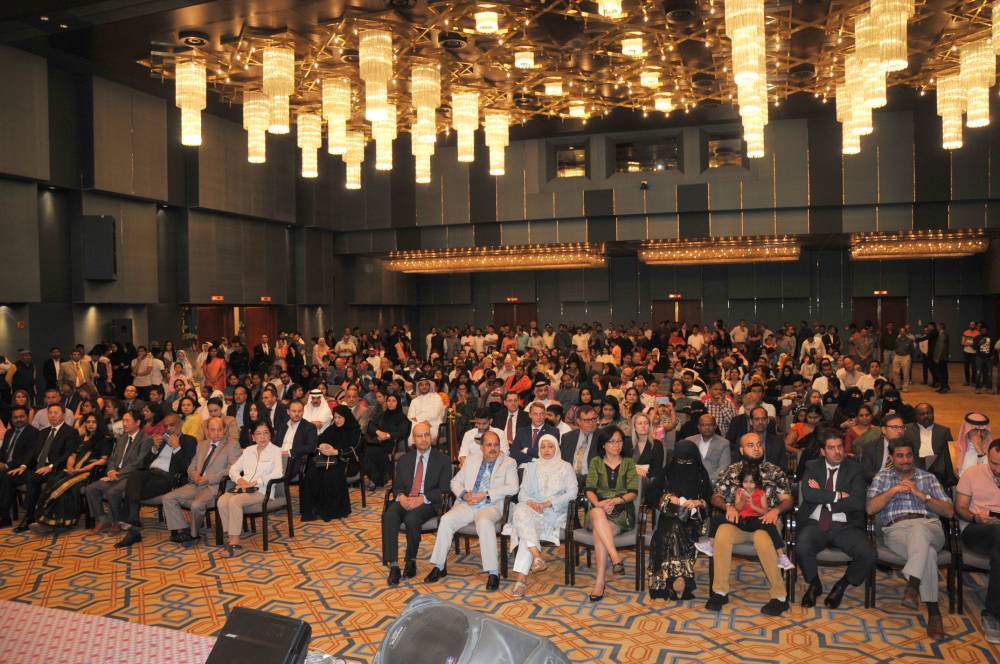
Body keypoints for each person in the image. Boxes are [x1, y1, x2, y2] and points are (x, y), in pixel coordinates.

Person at [866, 438, 954, 640]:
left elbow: (949, 512)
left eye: (908, 455)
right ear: (891, 457)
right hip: (897, 531)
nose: (905, 460)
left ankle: (914, 586)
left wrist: (923, 496)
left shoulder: (928, 478)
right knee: (928, 553)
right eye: (900, 455)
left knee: (921, 529)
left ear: (913, 456)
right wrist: (893, 490)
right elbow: (870, 508)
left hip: (931, 527)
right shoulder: (883, 478)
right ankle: (933, 612)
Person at [705, 432, 793, 616]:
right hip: (740, 521)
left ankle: (780, 597)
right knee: (722, 533)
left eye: (759, 444)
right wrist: (727, 506)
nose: (756, 448)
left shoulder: (774, 471)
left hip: (766, 522)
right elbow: (715, 497)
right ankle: (720, 591)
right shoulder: (732, 471)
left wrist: (775, 510)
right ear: (741, 449)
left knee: (762, 539)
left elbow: (787, 500)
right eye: (751, 445)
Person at [426, 431, 519, 591]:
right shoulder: (471, 460)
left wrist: (486, 495)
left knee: (484, 522)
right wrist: (464, 494)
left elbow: (513, 487)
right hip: (468, 503)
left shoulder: (508, 462)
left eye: (496, 445)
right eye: (489, 445)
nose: (493, 448)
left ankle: (493, 572)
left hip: (491, 504)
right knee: (446, 519)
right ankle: (439, 566)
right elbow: (455, 482)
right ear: (481, 447)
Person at [796, 430, 875, 609]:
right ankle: (815, 584)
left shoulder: (855, 468)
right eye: (831, 448)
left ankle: (842, 585)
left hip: (845, 525)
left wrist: (825, 498)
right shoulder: (812, 466)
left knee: (868, 555)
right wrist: (838, 495)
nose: (837, 451)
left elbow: (857, 501)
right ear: (823, 451)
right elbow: (809, 494)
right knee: (802, 546)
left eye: (840, 447)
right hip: (815, 522)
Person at [381, 422, 453, 586]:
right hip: (406, 498)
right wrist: (401, 497)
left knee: (412, 518)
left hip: (428, 502)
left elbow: (444, 489)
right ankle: (393, 566)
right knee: (389, 516)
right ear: (414, 439)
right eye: (419, 436)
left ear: (431, 436)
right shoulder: (404, 460)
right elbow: (397, 486)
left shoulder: (443, 460)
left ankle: (411, 560)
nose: (424, 439)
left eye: (426, 435)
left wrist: (423, 498)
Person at [506, 434, 577, 597]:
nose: (546, 450)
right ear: (538, 449)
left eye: (550, 446)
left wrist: (548, 503)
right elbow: (522, 493)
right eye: (543, 446)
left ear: (556, 448)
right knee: (520, 510)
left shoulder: (565, 467)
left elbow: (573, 493)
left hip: (553, 512)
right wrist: (531, 503)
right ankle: (537, 556)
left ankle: (522, 579)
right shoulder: (532, 467)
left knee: (523, 529)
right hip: (532, 509)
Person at [113, 413, 197, 547]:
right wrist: (154, 449)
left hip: (167, 478)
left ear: (180, 424)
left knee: (132, 490)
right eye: (166, 426)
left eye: (172, 425)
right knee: (135, 475)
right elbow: (144, 464)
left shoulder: (189, 440)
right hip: (149, 474)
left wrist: (177, 448)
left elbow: (186, 467)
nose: (169, 429)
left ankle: (133, 529)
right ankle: (134, 522)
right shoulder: (162, 440)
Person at [646, 440, 713, 601]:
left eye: (688, 461)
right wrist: (669, 498)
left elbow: (710, 500)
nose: (683, 464)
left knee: (674, 530)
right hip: (670, 516)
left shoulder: (701, 474)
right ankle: (680, 579)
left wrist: (699, 502)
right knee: (671, 529)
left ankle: (672, 580)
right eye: (680, 460)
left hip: (694, 520)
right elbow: (651, 494)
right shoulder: (668, 471)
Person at [162, 416, 241, 547]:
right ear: (207, 431)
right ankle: (183, 530)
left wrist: (209, 478)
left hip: (214, 486)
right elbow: (192, 464)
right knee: (168, 498)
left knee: (196, 505)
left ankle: (193, 534)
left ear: (224, 430)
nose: (216, 433)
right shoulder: (202, 444)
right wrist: (192, 474)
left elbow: (232, 469)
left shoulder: (232, 445)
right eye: (213, 430)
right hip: (196, 483)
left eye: (219, 429)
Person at [584, 427, 639, 601]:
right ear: (604, 445)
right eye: (612, 441)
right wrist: (599, 503)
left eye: (620, 441)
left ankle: (600, 582)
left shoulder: (629, 462)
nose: (617, 445)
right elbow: (590, 490)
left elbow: (633, 492)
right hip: (597, 508)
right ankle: (615, 559)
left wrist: (615, 501)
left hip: (622, 511)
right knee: (597, 512)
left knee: (598, 533)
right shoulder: (595, 462)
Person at [954, 438, 1000, 643]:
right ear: (988, 458)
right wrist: (976, 517)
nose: (998, 468)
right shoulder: (972, 473)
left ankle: (992, 612)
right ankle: (992, 613)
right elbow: (960, 508)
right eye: (994, 463)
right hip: (976, 529)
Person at [216, 420, 284, 557]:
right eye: (258, 434)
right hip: (244, 489)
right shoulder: (248, 450)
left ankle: (235, 541)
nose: (262, 437)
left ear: (270, 435)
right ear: (252, 437)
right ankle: (230, 537)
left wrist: (256, 482)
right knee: (222, 500)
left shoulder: (276, 451)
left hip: (262, 490)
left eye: (266, 433)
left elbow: (278, 473)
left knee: (234, 502)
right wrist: (239, 479)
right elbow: (233, 469)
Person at [35, 412, 113, 529]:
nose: (90, 425)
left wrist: (83, 469)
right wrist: (71, 467)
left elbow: (103, 461)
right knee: (54, 480)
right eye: (88, 422)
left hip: (89, 473)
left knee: (67, 487)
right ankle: (47, 519)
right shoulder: (81, 437)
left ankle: (64, 522)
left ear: (100, 423)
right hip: (73, 470)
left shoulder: (105, 439)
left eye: (94, 422)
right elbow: (72, 454)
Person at [15, 404, 81, 532]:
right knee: (8, 476)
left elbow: (67, 453)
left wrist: (50, 466)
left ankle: (29, 516)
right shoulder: (43, 432)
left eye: (56, 413)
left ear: (63, 415)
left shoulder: (71, 432)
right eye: (50, 413)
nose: (52, 415)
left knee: (32, 479)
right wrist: (23, 465)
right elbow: (33, 452)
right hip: (37, 467)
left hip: (56, 469)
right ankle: (7, 515)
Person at [84, 411, 152, 534]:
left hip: (132, 477)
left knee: (112, 491)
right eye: (123, 420)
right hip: (115, 474)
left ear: (137, 423)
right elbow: (112, 458)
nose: (124, 424)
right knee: (91, 489)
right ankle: (103, 519)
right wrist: (110, 471)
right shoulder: (122, 438)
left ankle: (117, 522)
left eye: (127, 421)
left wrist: (118, 474)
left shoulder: (146, 439)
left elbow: (139, 463)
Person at [308, 405, 361, 521]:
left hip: (346, 461)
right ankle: (318, 507)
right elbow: (319, 440)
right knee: (313, 471)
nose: (337, 420)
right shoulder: (332, 429)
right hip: (328, 460)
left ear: (346, 417)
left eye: (340, 418)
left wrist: (336, 452)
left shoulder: (354, 430)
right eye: (335, 417)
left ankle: (334, 510)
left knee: (330, 474)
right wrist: (321, 445)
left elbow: (354, 448)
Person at [274, 400, 319, 519]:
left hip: (294, 460)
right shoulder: (282, 425)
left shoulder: (309, 427)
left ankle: (282, 502)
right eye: (294, 411)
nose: (297, 414)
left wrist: (288, 452)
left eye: (300, 411)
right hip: (276, 458)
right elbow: (274, 443)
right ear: (288, 412)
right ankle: (265, 499)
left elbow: (310, 447)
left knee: (276, 471)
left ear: (303, 412)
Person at [0, 406, 40, 527]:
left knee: (4, 476)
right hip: (6, 467)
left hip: (25, 468)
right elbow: (3, 452)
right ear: (11, 419)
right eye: (15, 417)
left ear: (27, 417)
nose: (18, 419)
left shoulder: (33, 432)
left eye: (21, 416)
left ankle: (4, 516)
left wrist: (6, 465)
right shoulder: (9, 432)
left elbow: (29, 456)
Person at [903, 403, 956, 488]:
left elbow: (950, 454)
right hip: (914, 467)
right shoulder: (906, 430)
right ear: (916, 416)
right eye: (922, 414)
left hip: (936, 469)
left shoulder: (943, 431)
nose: (926, 416)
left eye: (929, 413)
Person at [366, 393, 411, 488]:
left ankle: (376, 479)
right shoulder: (382, 415)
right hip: (378, 441)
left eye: (394, 401)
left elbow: (403, 432)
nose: (390, 403)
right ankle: (377, 477)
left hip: (392, 443)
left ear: (398, 403)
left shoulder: (402, 417)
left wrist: (387, 435)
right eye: (389, 401)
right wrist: (378, 432)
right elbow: (371, 425)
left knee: (373, 450)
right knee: (367, 450)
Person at [860, 414, 907, 484]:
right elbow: (866, 473)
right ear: (883, 430)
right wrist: (886, 478)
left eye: (902, 427)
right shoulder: (871, 447)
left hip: (903, 483)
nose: (900, 431)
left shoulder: (909, 446)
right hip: (878, 484)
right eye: (895, 427)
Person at [684, 414, 731, 483]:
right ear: (698, 427)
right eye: (703, 425)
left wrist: (706, 481)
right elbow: (684, 463)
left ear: (715, 426)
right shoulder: (689, 441)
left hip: (713, 482)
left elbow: (724, 467)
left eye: (710, 425)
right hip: (691, 481)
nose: (707, 427)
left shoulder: (724, 443)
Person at [510, 401, 560, 466]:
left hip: (544, 469)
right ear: (530, 415)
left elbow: (549, 453)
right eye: (535, 414)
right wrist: (533, 459)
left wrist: (527, 450)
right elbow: (514, 454)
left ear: (545, 415)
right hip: (523, 469)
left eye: (541, 414)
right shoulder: (521, 431)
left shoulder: (553, 432)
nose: (538, 417)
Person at [559, 404, 601, 477]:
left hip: (592, 480)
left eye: (594, 419)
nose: (591, 423)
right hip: (570, 479)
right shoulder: (567, 437)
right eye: (586, 420)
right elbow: (562, 461)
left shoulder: (603, 437)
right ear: (578, 421)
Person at [407, 374, 447, 443]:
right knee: (414, 429)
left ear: (430, 386)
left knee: (418, 431)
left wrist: (419, 419)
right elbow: (410, 416)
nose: (424, 387)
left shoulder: (436, 398)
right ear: (418, 387)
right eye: (421, 385)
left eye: (426, 384)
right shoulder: (414, 401)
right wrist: (421, 422)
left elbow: (434, 415)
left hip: (432, 425)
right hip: (417, 425)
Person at [952, 412, 992, 477]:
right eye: (975, 430)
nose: (979, 434)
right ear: (966, 431)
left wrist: (980, 451)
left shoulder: (993, 449)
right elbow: (961, 475)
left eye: (983, 430)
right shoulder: (958, 448)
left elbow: (989, 475)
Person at [630, 411, 663, 477]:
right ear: (634, 427)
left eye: (646, 423)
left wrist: (643, 472)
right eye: (640, 423)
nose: (643, 426)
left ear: (649, 426)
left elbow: (657, 470)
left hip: (647, 481)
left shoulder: (657, 444)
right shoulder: (627, 443)